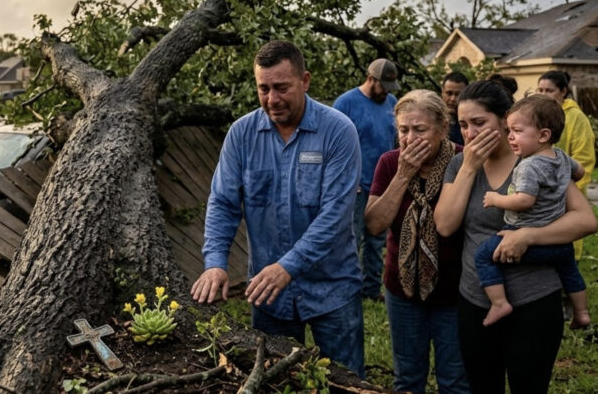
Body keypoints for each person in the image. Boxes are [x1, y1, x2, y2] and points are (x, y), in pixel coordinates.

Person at [191, 40, 365, 376]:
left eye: (282, 88)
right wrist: (215, 263)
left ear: (305, 81)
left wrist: (288, 266)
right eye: (264, 88)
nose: (272, 99)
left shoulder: (338, 131)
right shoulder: (242, 134)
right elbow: (224, 203)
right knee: (275, 378)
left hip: (333, 288)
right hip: (270, 294)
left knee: (346, 380)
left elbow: (336, 214)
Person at [435, 80, 597, 393]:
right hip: (476, 298)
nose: (470, 133)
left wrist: (527, 236)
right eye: (464, 125)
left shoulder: (538, 161)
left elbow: (585, 220)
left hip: (534, 299)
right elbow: (445, 225)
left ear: (505, 118)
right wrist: (469, 168)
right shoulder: (459, 164)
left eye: (479, 123)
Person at [365, 90, 469, 394]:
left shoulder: (464, 161)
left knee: (454, 380)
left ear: (441, 127)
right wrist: (402, 176)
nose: (410, 138)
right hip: (403, 290)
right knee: (408, 378)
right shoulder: (389, 163)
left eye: (420, 130)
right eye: (403, 130)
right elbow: (374, 224)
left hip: (454, 290)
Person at [476, 95, 590, 328]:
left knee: (483, 256)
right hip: (559, 239)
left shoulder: (528, 165)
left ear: (543, 135)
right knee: (570, 272)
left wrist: (497, 199)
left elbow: (525, 201)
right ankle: (582, 312)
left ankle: (499, 303)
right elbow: (579, 174)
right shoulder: (561, 157)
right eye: (509, 130)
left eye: (517, 131)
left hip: (527, 235)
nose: (510, 136)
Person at [334, 58, 399, 300]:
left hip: (381, 185)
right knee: (352, 240)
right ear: (370, 79)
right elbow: (334, 146)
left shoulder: (391, 103)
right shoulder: (346, 104)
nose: (386, 92)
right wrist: (346, 181)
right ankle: (347, 290)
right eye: (383, 86)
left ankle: (371, 290)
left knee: (376, 241)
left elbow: (394, 142)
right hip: (355, 187)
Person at [537, 70, 596, 260]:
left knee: (566, 249)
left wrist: (566, 190)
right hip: (539, 193)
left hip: (567, 192)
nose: (544, 94)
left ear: (563, 91)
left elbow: (584, 159)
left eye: (549, 90)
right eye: (541, 89)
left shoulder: (577, 118)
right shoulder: (536, 115)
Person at [442, 72, 469, 146]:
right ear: (442, 92)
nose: (453, 99)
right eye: (449, 93)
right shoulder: (433, 119)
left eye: (458, 94)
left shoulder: (471, 123)